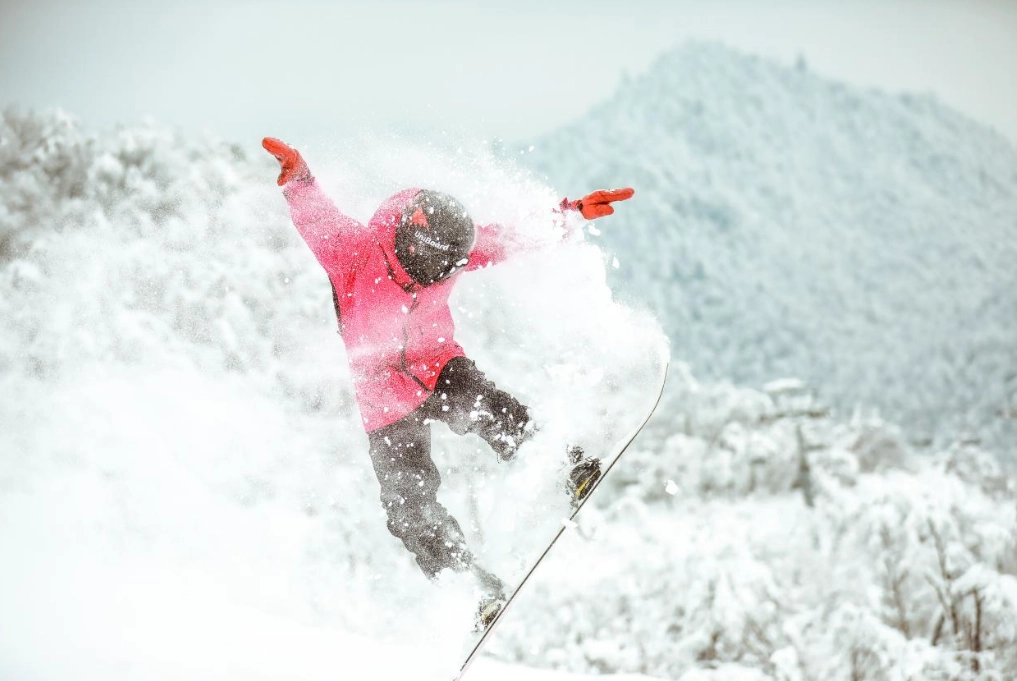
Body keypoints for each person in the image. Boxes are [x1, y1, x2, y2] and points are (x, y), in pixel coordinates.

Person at [262, 137, 633, 625]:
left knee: (489, 407)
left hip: (438, 365)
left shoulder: (451, 250)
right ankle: (470, 586)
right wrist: (299, 178)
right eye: (439, 269)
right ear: (415, 249)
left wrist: (572, 213)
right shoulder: (356, 255)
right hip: (385, 403)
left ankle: (568, 467)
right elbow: (318, 220)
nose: (444, 277)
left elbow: (506, 239)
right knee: (408, 508)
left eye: (452, 269)